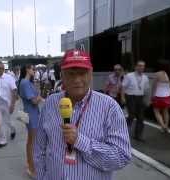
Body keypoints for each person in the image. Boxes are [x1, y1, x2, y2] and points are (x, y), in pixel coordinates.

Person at [34, 50, 131, 180]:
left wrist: (80, 141)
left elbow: (121, 157)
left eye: (82, 73)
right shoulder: (51, 103)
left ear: (90, 74)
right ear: (62, 76)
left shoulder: (110, 107)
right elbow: (39, 149)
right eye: (71, 74)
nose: (77, 79)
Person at [18, 64, 44, 178]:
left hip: (31, 113)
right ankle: (31, 168)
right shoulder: (25, 83)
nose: (34, 71)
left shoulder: (26, 82)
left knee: (31, 140)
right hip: (31, 114)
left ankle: (30, 164)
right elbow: (34, 101)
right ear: (27, 69)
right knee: (32, 142)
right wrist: (41, 96)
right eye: (33, 69)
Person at [0, 62, 18, 149]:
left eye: (0, 68)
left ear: (3, 69)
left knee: (8, 121)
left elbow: (14, 91)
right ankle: (3, 141)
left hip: (7, 103)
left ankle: (13, 130)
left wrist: (12, 105)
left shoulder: (9, 78)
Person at [122, 60, 150, 141]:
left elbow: (147, 90)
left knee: (141, 118)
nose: (141, 67)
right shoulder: (129, 76)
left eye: (143, 66)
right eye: (140, 65)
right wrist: (123, 97)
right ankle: (123, 131)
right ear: (136, 67)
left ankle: (138, 135)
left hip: (140, 98)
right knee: (131, 115)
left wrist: (147, 100)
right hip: (130, 97)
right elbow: (123, 87)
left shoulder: (145, 77)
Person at [151, 60, 170, 133]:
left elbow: (154, 86)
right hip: (168, 96)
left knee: (156, 111)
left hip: (159, 96)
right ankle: (166, 126)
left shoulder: (157, 74)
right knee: (166, 111)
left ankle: (163, 127)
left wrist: (152, 96)